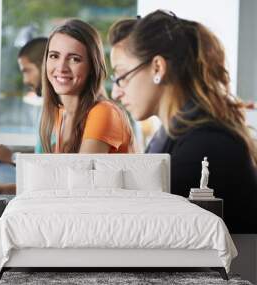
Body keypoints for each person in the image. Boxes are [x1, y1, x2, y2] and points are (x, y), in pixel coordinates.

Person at [108, 10, 257, 233]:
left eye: (122, 76)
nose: (116, 93)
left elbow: (148, 230)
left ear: (157, 67)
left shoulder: (205, 146)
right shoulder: (176, 134)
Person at [40, 19, 136, 154]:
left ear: (92, 66)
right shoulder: (60, 113)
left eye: (74, 59)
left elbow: (81, 174)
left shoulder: (103, 112)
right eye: (54, 56)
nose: (61, 68)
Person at [0, 37, 48, 164]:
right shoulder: (48, 107)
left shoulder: (65, 110)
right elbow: (43, 152)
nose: (25, 80)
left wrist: (13, 157)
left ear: (44, 67)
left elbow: (54, 162)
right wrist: (10, 150)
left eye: (27, 71)